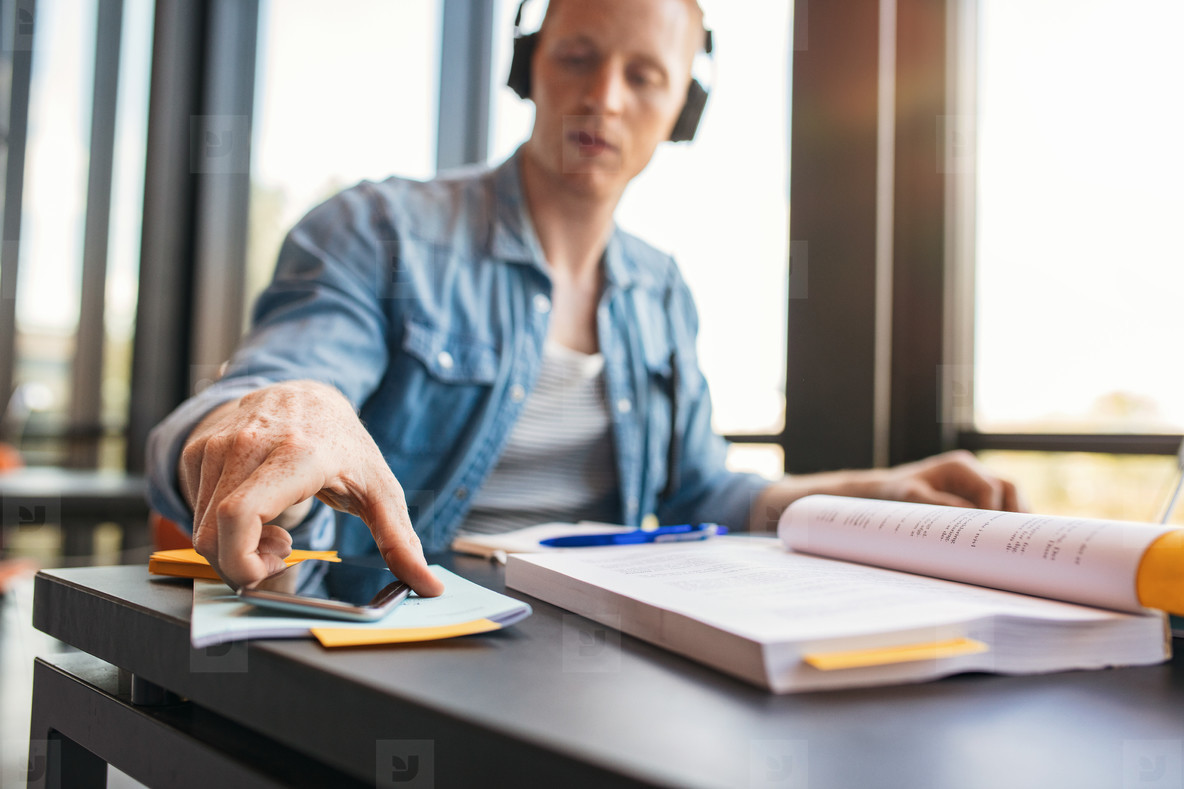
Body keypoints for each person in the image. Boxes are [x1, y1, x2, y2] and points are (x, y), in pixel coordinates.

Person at [146, 0, 1020, 597]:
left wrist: (869, 493)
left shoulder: (661, 290)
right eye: (577, 56)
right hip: (393, 642)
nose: (603, 97)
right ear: (530, 66)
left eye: (644, 75)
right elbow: (257, 400)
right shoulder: (379, 230)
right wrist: (285, 414)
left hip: (595, 652)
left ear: (684, 107)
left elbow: (700, 493)